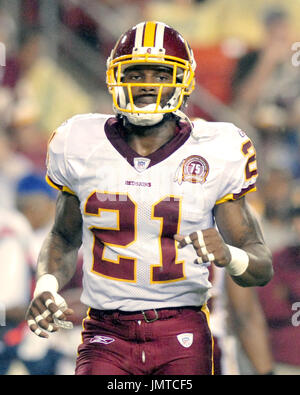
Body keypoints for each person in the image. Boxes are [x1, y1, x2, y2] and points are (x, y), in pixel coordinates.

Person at [25, 21, 273, 375]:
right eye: (136, 73)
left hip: (181, 329)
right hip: (105, 332)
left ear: (182, 81)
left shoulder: (217, 150)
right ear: (116, 78)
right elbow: (64, 236)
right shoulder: (78, 142)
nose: (146, 85)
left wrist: (229, 255)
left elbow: (260, 266)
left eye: (159, 74)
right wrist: (46, 285)